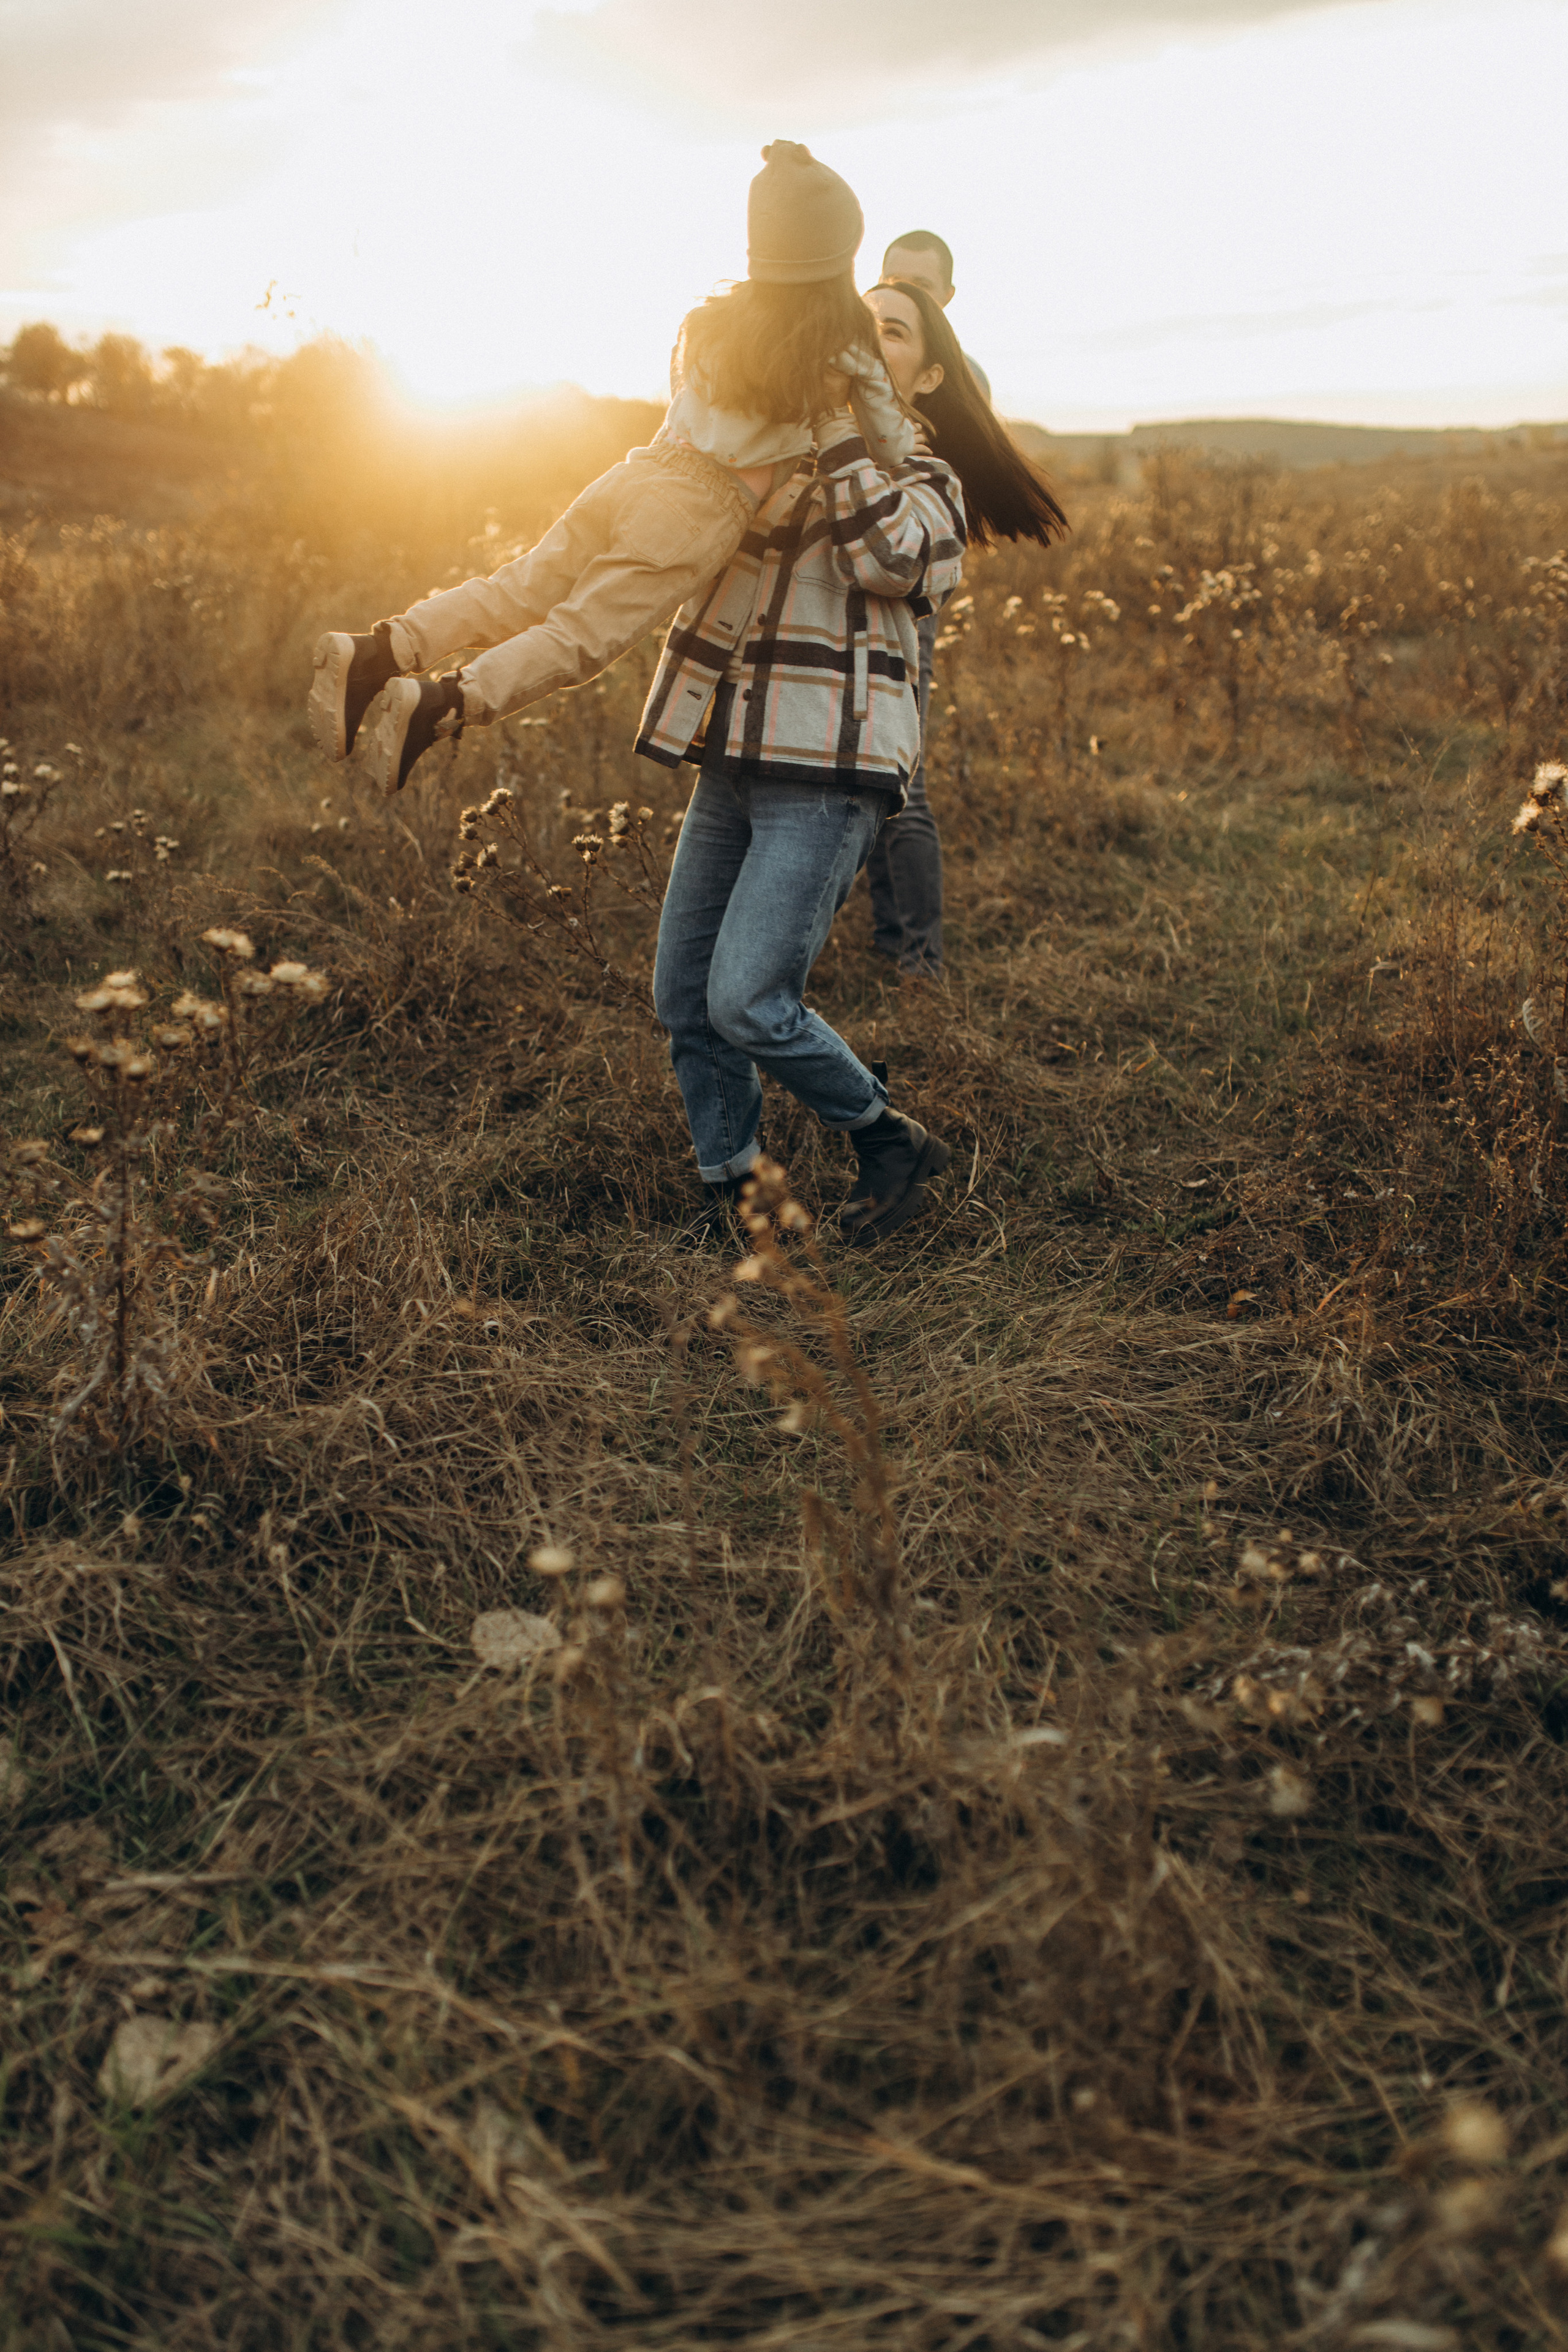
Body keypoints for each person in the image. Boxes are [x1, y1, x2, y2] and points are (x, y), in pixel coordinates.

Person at [307, 143, 916, 794]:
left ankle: (378, 651)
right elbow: (892, 445)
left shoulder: (713, 322)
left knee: (519, 587)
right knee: (579, 636)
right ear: (839, 254)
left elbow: (684, 394)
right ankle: (445, 702)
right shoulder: (843, 343)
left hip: (642, 469)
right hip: (704, 506)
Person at [860, 273, 1067, 979]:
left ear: (944, 293)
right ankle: (888, 938)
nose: (900, 291)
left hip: (912, 579)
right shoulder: (853, 375)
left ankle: (917, 956)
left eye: (918, 287)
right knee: (871, 780)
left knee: (900, 781)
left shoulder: (944, 384)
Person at [881, 229, 991, 404]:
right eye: (895, 282)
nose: (905, 294)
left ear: (948, 295)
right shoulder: (847, 355)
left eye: (921, 286)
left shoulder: (970, 380)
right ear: (880, 282)